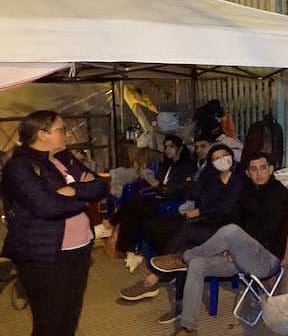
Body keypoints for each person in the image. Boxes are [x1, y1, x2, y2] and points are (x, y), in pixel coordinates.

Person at [150, 152, 288, 335]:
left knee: (230, 231)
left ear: (271, 169)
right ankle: (188, 327)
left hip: (265, 259)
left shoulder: (279, 193)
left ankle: (185, 256)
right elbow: (234, 217)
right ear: (248, 172)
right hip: (241, 257)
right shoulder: (247, 190)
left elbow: (269, 230)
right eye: (254, 169)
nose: (259, 173)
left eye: (263, 168)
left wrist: (237, 244)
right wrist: (233, 246)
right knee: (198, 264)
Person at [0, 110, 109, 336]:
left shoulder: (64, 157)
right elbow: (47, 207)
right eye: (61, 130)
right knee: (49, 318)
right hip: (44, 253)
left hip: (79, 247)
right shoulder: (19, 166)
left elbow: (100, 188)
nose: (66, 134)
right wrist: (82, 193)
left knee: (71, 310)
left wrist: (71, 191)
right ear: (42, 134)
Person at [118, 143, 245, 301]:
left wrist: (201, 211)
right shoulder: (212, 178)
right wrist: (200, 183)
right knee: (158, 227)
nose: (221, 160)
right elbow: (196, 194)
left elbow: (225, 207)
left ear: (231, 156)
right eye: (216, 158)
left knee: (184, 235)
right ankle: (164, 272)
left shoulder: (239, 179)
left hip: (224, 227)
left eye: (224, 156)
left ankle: (154, 278)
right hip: (205, 220)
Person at [95, 134, 196, 271]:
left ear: (180, 148)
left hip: (169, 202)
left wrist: (155, 184)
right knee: (131, 207)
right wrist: (152, 180)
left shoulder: (187, 167)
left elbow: (173, 190)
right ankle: (130, 252)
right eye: (165, 147)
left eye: (171, 146)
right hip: (158, 197)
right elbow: (160, 184)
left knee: (132, 204)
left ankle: (110, 226)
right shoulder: (166, 165)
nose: (168, 150)